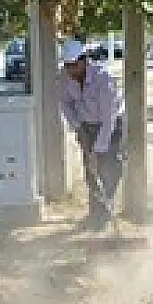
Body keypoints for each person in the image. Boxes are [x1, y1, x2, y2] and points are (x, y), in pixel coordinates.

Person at [58, 38, 125, 230]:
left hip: (111, 125)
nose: (71, 70)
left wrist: (100, 146)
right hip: (86, 124)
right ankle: (97, 211)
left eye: (74, 65)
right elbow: (64, 103)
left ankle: (108, 204)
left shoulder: (104, 79)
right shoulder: (64, 77)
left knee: (108, 166)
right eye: (67, 65)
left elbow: (109, 117)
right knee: (91, 169)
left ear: (85, 60)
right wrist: (77, 126)